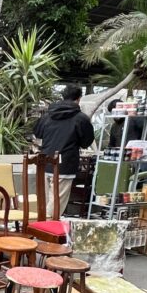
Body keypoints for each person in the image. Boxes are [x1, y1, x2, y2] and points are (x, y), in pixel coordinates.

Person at [33, 85, 95, 217]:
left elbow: (37, 132)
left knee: (44, 202)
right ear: (79, 99)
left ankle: (40, 225)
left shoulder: (48, 115)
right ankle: (47, 227)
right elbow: (86, 142)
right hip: (65, 164)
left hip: (44, 161)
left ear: (63, 96)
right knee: (56, 203)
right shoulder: (81, 118)